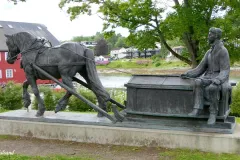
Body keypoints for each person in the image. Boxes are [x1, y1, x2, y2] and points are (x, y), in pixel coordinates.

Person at [181, 27, 230, 125]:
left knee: (212, 88)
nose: (208, 36)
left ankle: (213, 113)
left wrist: (219, 80)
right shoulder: (209, 52)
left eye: (210, 34)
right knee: (198, 81)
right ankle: (197, 108)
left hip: (218, 78)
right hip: (208, 77)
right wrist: (188, 74)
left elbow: (225, 70)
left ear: (216, 36)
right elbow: (200, 68)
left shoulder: (223, 51)